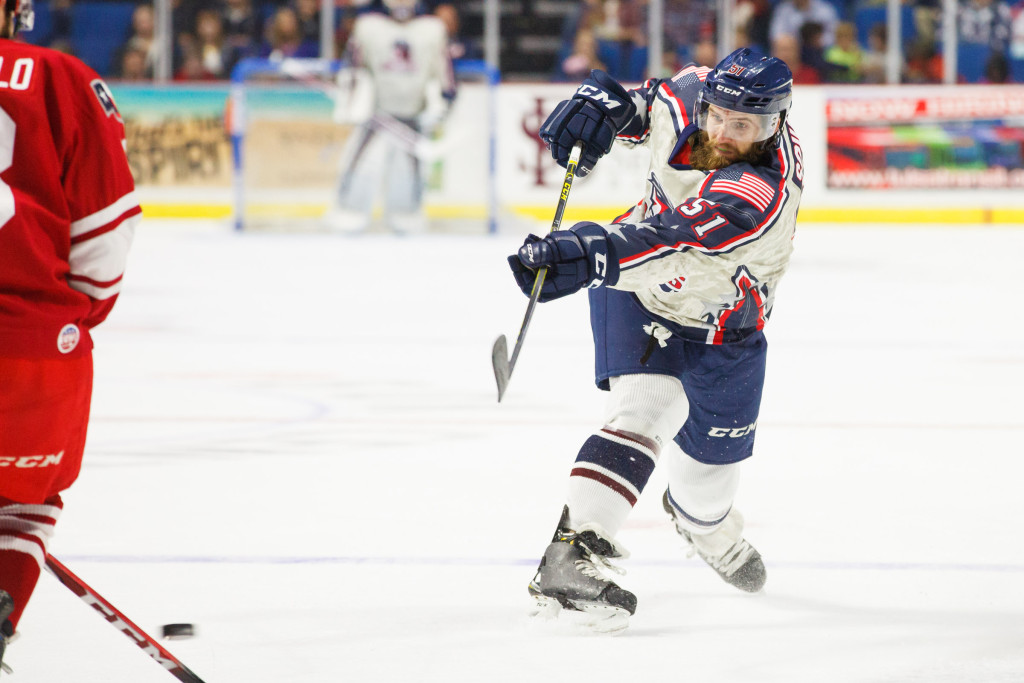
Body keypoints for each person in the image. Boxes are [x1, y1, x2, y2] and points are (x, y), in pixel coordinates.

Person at [506, 47, 803, 633]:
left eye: (743, 126)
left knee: (706, 487)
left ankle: (706, 527)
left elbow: (677, 239)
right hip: (638, 291)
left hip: (722, 324)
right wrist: (605, 110)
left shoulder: (762, 190)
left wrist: (591, 254)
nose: (722, 131)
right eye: (718, 115)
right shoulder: (693, 95)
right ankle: (571, 555)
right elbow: (646, 108)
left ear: (774, 125)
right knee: (648, 405)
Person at [0, 0, 139, 671]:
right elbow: (108, 236)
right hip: (35, 362)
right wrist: (64, 320)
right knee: (21, 505)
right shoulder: (61, 78)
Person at [327, 0, 455, 234]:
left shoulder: (432, 29)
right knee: (357, 162)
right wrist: (349, 99)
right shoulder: (369, 26)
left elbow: (445, 73)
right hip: (378, 113)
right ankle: (347, 208)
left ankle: (409, 211)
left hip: (413, 114)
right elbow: (352, 66)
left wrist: (443, 103)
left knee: (414, 169)